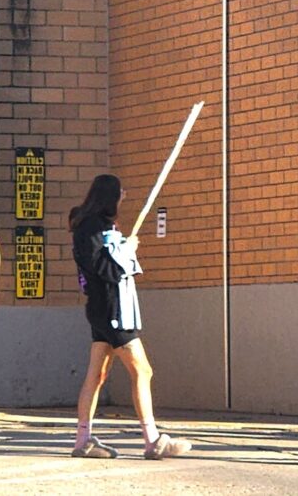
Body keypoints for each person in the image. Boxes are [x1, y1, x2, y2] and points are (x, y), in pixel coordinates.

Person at [69, 174, 190, 460]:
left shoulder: (99, 226)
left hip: (107, 308)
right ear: (109, 195)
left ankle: (82, 439)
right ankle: (152, 439)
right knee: (142, 371)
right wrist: (127, 249)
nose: (124, 195)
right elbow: (103, 267)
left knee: (96, 375)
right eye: (120, 192)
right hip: (112, 310)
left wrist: (124, 246)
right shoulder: (91, 228)